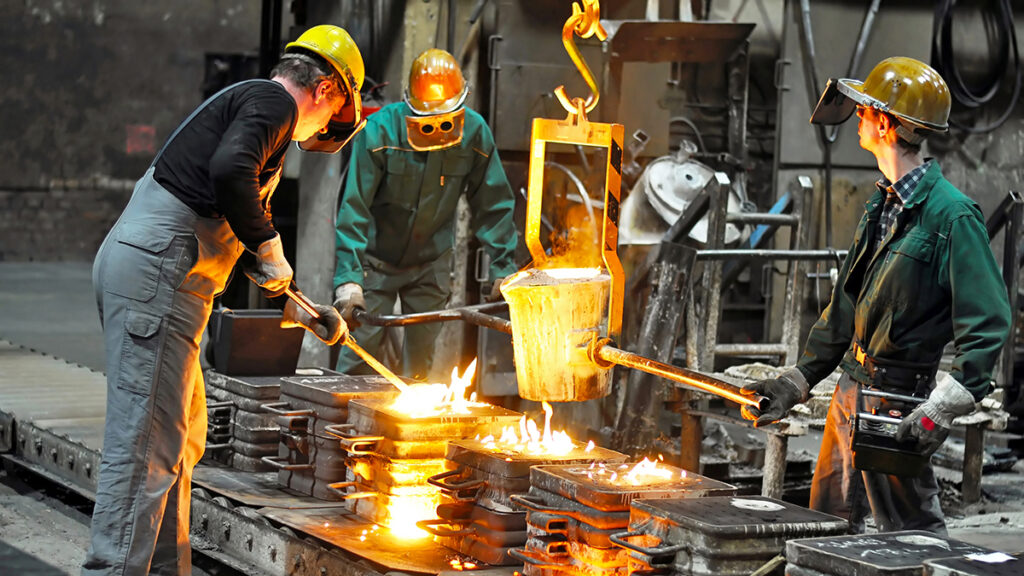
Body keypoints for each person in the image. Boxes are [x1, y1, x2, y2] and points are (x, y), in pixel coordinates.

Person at [84, 25, 364, 576]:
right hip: (160, 278)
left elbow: (224, 203)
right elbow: (230, 170)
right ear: (327, 90)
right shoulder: (273, 101)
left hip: (165, 277)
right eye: (329, 119)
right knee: (145, 449)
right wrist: (268, 243)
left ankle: (165, 569)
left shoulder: (251, 105)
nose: (320, 130)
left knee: (178, 438)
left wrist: (292, 294)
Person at [740, 57, 1011, 534]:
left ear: (885, 123)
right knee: (825, 529)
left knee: (911, 538)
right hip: (850, 391)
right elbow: (847, 304)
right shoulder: (884, 202)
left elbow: (988, 322)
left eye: (865, 110)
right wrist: (799, 379)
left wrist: (942, 407)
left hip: (898, 402)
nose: (858, 119)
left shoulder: (952, 217)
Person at [332, 48, 518, 380]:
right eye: (426, 123)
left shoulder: (474, 134)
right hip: (376, 264)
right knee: (358, 357)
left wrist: (503, 267)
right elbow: (354, 207)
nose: (438, 130)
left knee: (419, 370)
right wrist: (349, 278)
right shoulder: (378, 132)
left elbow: (493, 204)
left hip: (430, 265)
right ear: (408, 106)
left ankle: (405, 431)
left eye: (445, 121)